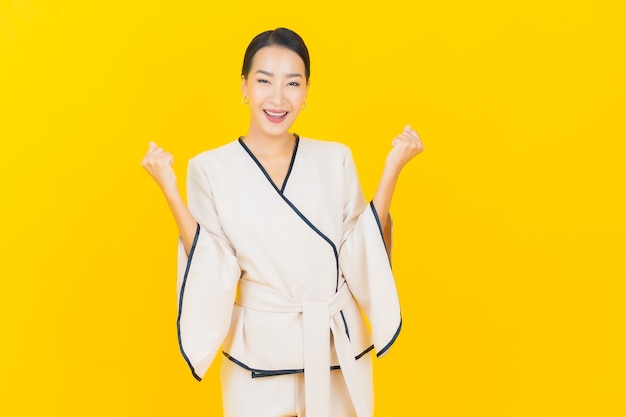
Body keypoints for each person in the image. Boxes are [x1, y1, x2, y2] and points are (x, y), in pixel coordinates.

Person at [142, 27, 424, 417]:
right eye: (264, 81)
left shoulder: (335, 159)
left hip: (334, 350)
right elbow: (212, 262)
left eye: (293, 83)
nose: (278, 98)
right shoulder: (209, 168)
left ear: (307, 91)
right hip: (257, 356)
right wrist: (171, 192)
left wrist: (392, 170)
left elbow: (362, 254)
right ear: (244, 86)